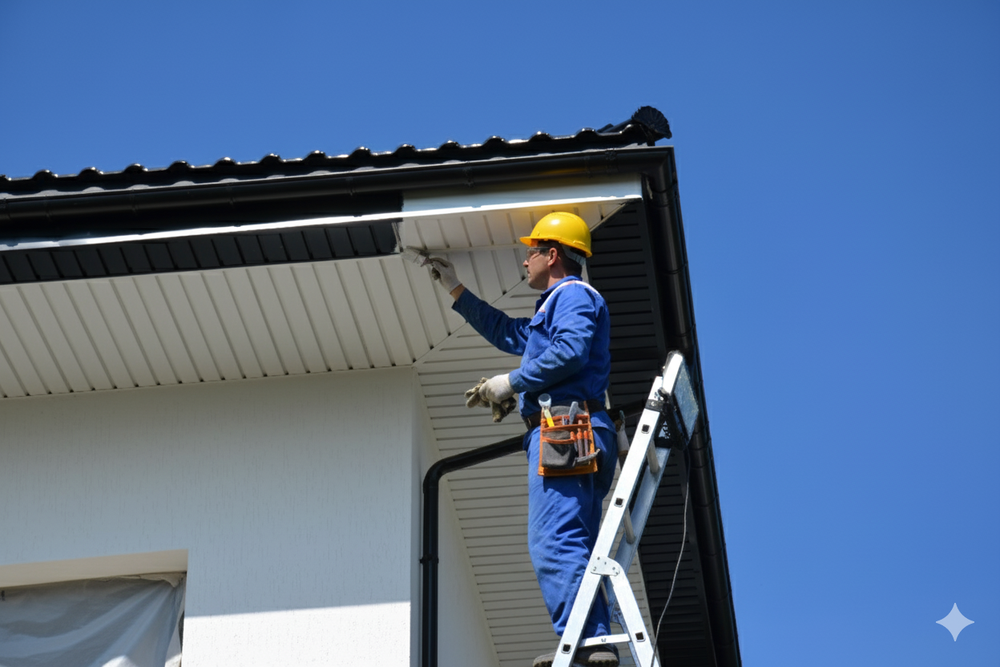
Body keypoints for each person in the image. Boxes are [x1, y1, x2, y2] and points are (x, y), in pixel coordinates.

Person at [426, 212, 620, 667]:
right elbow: (510, 333)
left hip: (567, 431)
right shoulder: (553, 306)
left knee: (555, 540)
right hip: (576, 430)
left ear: (552, 255)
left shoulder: (572, 294)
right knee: (575, 541)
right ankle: (593, 642)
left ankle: (587, 644)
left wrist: (511, 383)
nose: (524, 261)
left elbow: (569, 352)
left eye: (529, 252)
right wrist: (455, 289)